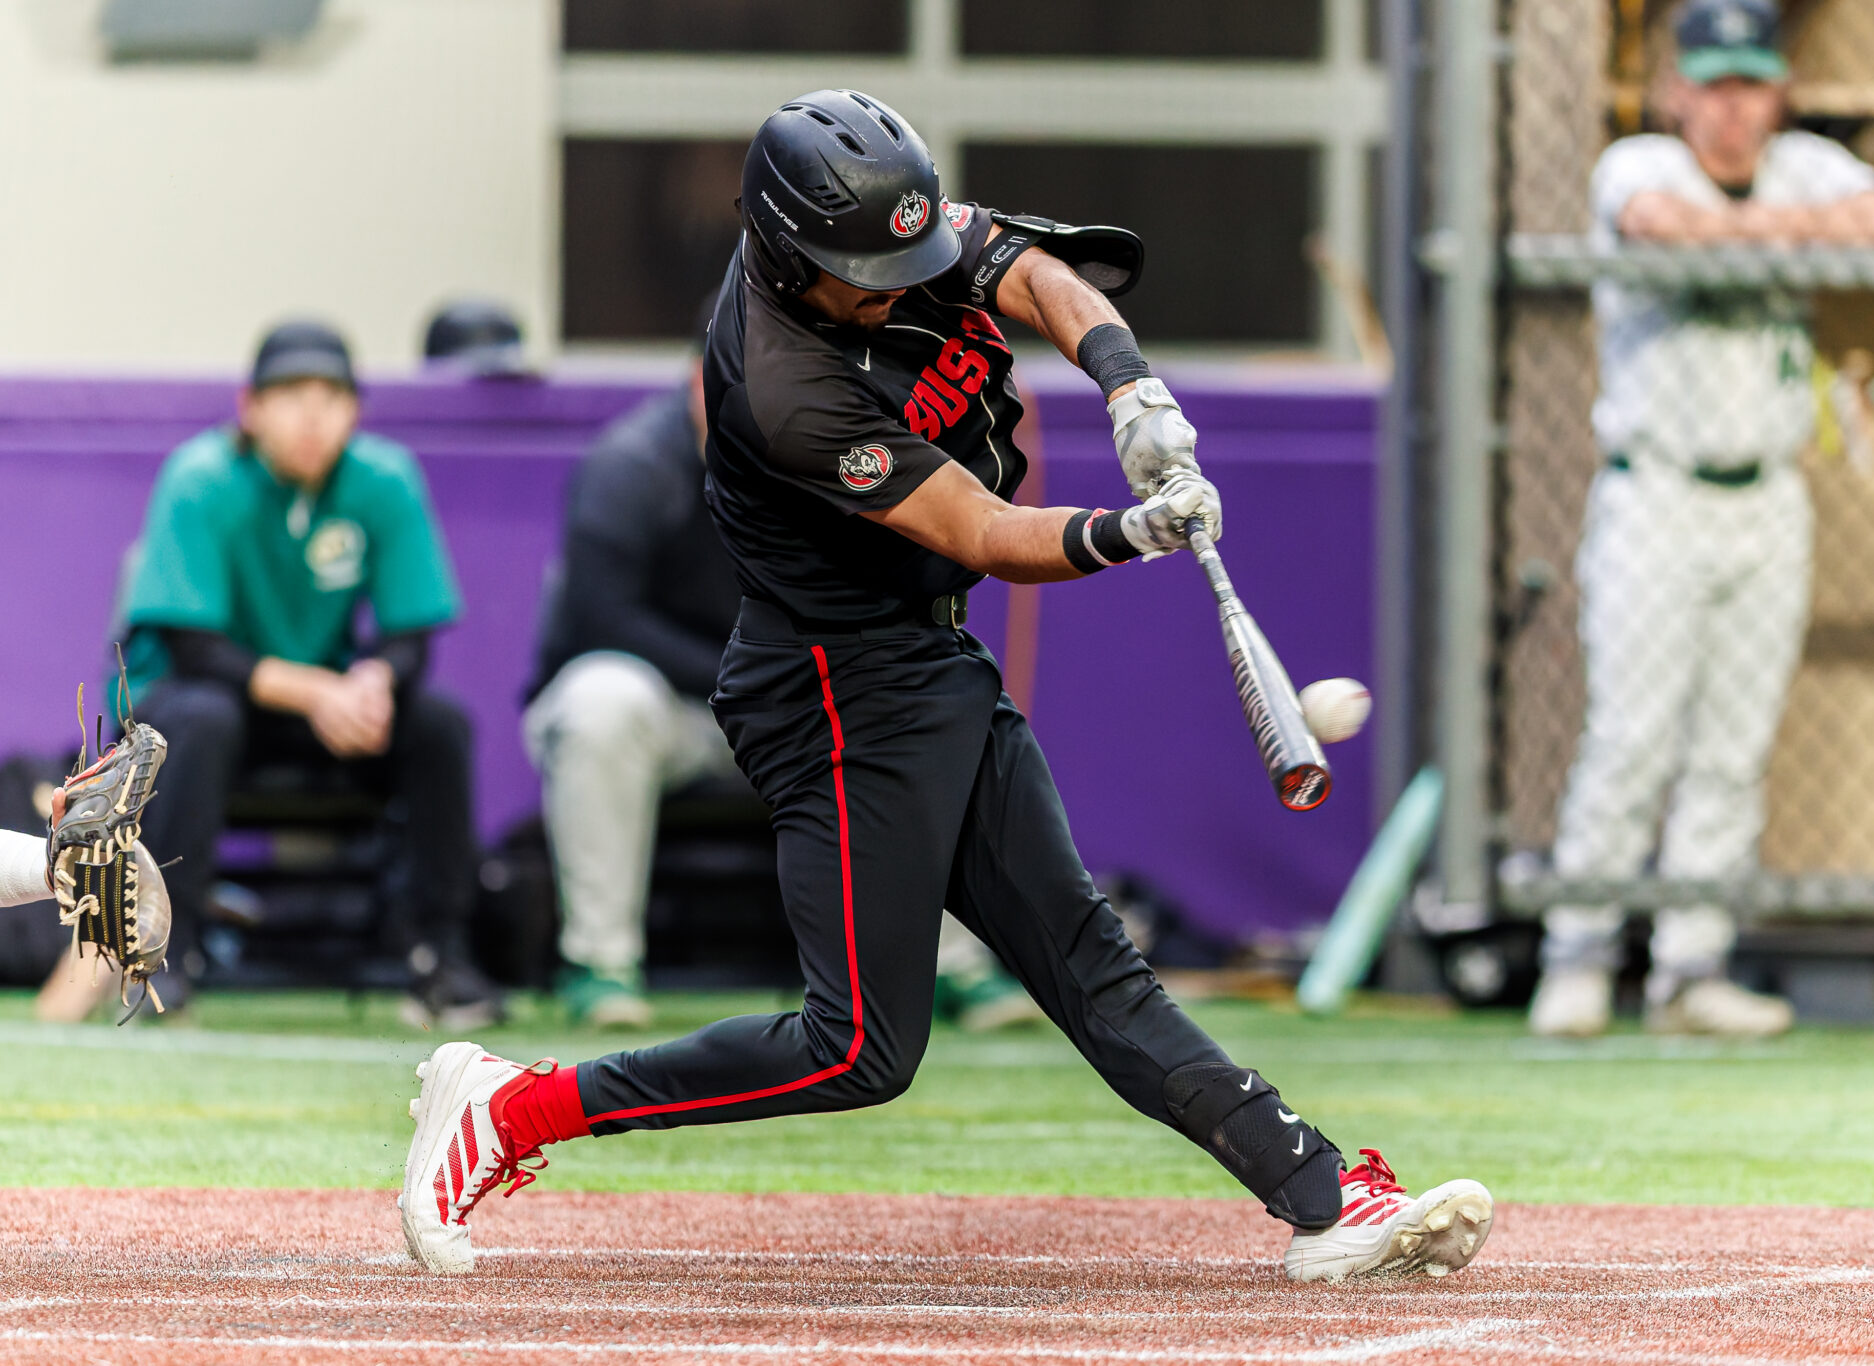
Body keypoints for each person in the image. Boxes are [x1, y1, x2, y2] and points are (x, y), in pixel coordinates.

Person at [399, 89, 1493, 1284]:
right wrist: (1128, 529)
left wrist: (1129, 387)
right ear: (790, 256)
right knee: (855, 1048)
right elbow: (978, 529)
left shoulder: (879, 227)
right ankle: (508, 1108)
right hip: (830, 684)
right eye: (868, 276)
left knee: (1089, 965)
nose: (900, 286)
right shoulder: (784, 385)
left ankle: (1325, 1198)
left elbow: (1035, 277)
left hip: (923, 656)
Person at [1529, 0, 1874, 1038]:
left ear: (1778, 93)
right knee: (1629, 737)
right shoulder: (1639, 161)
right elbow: (1662, 222)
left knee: (1733, 749)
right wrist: (1791, 241)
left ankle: (1688, 971)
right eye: (1713, 86)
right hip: (1655, 490)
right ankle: (1577, 957)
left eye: (1751, 85)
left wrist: (1748, 235)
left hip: (1768, 495)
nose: (1732, 109)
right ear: (1675, 92)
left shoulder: (1802, 165)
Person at [117, 320, 504, 1028]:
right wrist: (322, 691)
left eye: (332, 397)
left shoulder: (385, 479)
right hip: (203, 702)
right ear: (250, 408)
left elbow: (410, 636)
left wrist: (372, 682)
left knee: (437, 723)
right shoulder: (200, 479)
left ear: (355, 411)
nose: (312, 416)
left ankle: (440, 956)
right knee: (202, 720)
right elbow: (194, 647)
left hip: (322, 712)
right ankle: (167, 956)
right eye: (292, 395)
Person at [521, 369, 745, 1028]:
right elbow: (602, 618)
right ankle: (600, 963)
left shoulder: (831, 455)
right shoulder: (631, 464)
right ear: (700, 381)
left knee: (904, 692)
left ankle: (946, 965)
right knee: (605, 700)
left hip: (779, 708)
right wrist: (745, 677)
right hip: (666, 709)